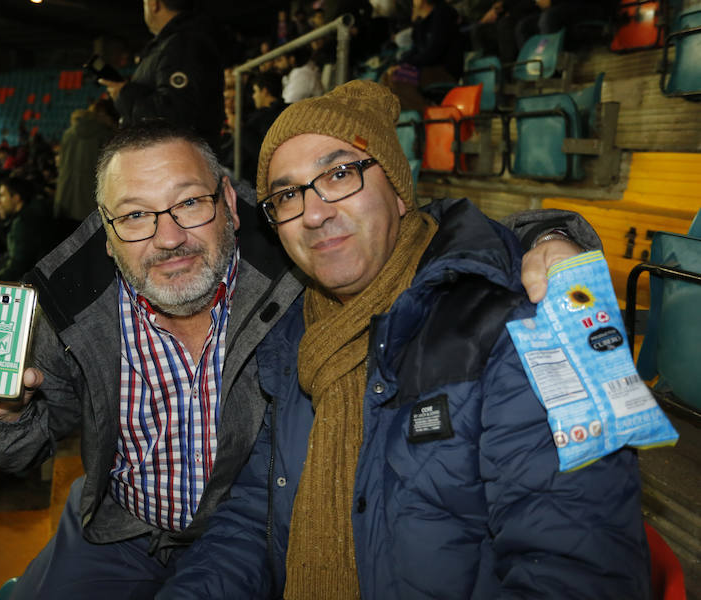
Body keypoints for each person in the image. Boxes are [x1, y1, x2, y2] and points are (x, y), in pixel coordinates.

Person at [0, 123, 594, 597]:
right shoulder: (65, 302)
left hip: (252, 529)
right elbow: (14, 455)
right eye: (135, 216)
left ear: (228, 202)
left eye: (189, 203)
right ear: (106, 234)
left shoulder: (294, 254)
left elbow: (417, 229)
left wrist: (551, 237)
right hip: (120, 530)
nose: (167, 237)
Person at [157, 80, 650, 599]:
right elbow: (255, 516)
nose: (315, 211)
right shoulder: (293, 335)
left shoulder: (525, 318)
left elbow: (577, 569)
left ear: (396, 188)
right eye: (286, 195)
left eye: (340, 173)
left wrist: (550, 235)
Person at [98, 0, 225, 150]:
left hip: (177, 164)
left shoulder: (182, 45)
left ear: (153, 3)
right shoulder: (177, 43)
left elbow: (174, 117)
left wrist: (124, 94)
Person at [53, 97, 118, 233]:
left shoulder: (68, 133)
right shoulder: (106, 136)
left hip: (65, 203)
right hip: (90, 209)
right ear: (103, 114)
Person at [0, 176, 55, 282]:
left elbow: (16, 268)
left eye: (2, 195)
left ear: (16, 198)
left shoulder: (23, 223)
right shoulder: (25, 217)